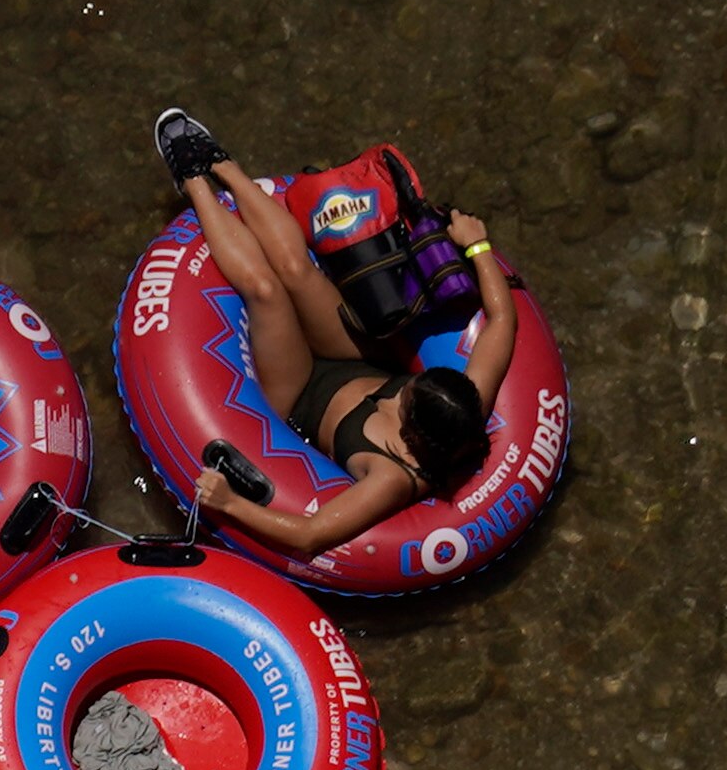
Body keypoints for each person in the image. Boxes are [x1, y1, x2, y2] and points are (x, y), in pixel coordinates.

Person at [154, 112, 511, 560]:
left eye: (406, 399)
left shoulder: (392, 478)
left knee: (266, 293)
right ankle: (223, 166)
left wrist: (230, 504)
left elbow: (311, 536)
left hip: (300, 395)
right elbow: (500, 320)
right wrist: (478, 246)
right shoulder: (465, 405)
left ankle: (193, 183)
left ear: (414, 434)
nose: (398, 393)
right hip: (353, 359)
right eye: (414, 383)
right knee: (296, 271)